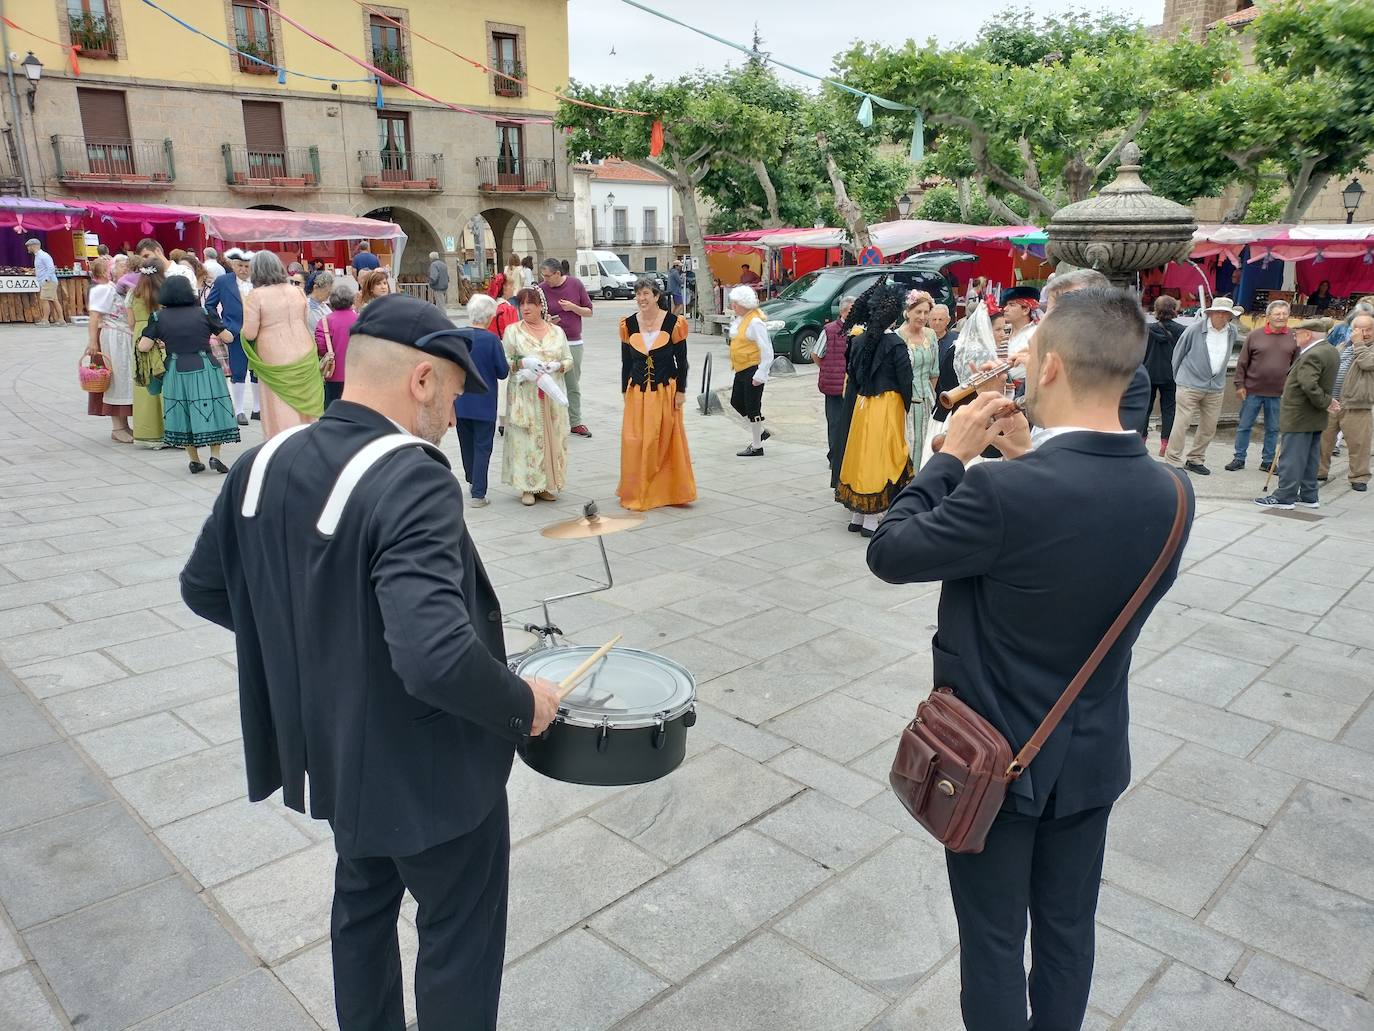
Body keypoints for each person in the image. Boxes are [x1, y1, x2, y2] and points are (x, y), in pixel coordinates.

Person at [179, 293, 561, 1031]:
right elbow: (436, 655)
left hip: (339, 753)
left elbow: (206, 589)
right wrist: (524, 703)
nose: (451, 418)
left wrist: (320, 653)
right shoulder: (412, 476)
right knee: (457, 940)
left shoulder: (263, 461)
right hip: (435, 772)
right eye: (450, 395)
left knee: (361, 914)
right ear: (422, 380)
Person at [868, 286, 1193, 1031]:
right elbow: (1076, 539)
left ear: (1047, 369)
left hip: (992, 763)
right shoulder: (1174, 493)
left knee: (992, 941)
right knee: (1069, 932)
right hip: (1091, 758)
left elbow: (890, 550)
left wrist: (950, 456)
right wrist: (1023, 458)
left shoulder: (999, 493)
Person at [138, 276, 239, 474]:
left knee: (182, 411)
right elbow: (228, 337)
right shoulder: (204, 312)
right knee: (212, 409)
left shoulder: (158, 317)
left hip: (176, 368)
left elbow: (143, 346)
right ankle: (214, 456)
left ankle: (194, 460)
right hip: (206, 367)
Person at [836, 281, 914, 536]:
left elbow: (853, 376)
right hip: (887, 405)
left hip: (863, 406)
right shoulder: (895, 344)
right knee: (881, 457)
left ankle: (858, 517)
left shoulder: (858, 341)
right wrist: (907, 403)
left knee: (860, 454)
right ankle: (870, 521)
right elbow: (905, 379)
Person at [617, 277, 696, 511]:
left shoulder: (673, 323)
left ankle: (665, 489)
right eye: (638, 294)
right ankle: (638, 487)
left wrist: (681, 391)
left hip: (664, 390)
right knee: (636, 441)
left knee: (663, 440)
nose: (641, 299)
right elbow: (625, 362)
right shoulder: (628, 324)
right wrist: (624, 389)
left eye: (646, 294)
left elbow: (682, 361)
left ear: (656, 296)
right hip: (638, 392)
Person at [1255, 318, 1339, 510]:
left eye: (1297, 333)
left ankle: (1285, 496)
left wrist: (1325, 402)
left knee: (1292, 457)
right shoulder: (1330, 350)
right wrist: (1326, 402)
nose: (1294, 336)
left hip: (1299, 414)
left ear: (1308, 334)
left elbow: (1309, 384)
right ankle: (1309, 495)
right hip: (1313, 415)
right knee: (1310, 458)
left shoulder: (1313, 354)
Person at [502, 288, 574, 505]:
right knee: (527, 438)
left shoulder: (556, 332)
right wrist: (521, 364)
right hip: (525, 394)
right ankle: (527, 487)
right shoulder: (513, 331)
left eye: (530, 304)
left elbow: (569, 359)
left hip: (551, 394)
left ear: (541, 306)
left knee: (553, 437)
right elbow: (504, 359)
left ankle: (546, 484)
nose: (525, 308)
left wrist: (558, 366)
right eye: (521, 304)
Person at [241, 251, 323, 439]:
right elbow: (304, 321)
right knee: (304, 395)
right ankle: (309, 436)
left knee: (279, 401)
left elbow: (250, 332)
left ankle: (283, 442)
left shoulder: (256, 296)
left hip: (274, 353)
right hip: (304, 349)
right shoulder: (297, 291)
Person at [1164, 296, 1243, 475]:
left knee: (1209, 426)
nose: (1223, 317)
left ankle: (1195, 459)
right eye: (1220, 313)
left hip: (1215, 386)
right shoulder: (1194, 329)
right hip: (1189, 385)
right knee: (1181, 424)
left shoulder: (1232, 332)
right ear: (1212, 313)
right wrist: (1179, 378)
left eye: (1227, 314)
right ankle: (1173, 460)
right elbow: (1178, 354)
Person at [1227, 300, 1296, 473]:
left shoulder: (1294, 337)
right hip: (1252, 390)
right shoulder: (1254, 335)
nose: (1281, 317)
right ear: (1269, 316)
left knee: (1273, 428)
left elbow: (1296, 365)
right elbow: (1242, 362)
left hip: (1279, 392)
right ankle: (1239, 458)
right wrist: (1239, 384)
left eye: (1284, 314)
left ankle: (1268, 461)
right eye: (1277, 314)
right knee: (1244, 426)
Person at [455, 295, 510, 508]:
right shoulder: (491, 340)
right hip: (484, 402)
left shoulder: (459, 336)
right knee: (482, 447)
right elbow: (502, 372)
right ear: (488, 317)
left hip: (460, 401)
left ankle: (472, 479)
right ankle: (478, 492)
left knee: (466, 445)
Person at [537, 257, 594, 438]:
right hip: (550, 342)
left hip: (573, 342)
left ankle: (575, 422)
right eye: (543, 276)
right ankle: (551, 420)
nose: (545, 279)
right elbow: (535, 315)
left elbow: (589, 311)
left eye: (547, 276)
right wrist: (546, 320)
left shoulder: (575, 285)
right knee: (549, 382)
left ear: (558, 273)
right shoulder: (541, 289)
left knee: (572, 383)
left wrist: (572, 307)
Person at [1318, 312, 1374, 492]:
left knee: (1359, 444)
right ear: (1352, 330)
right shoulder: (1343, 346)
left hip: (1358, 405)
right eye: (1359, 329)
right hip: (1332, 402)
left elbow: (1367, 363)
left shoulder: (1368, 349)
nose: (1364, 333)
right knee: (1322, 441)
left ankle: (1359, 477)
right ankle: (1319, 471)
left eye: (1368, 329)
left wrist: (1358, 343)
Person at [83, 257, 135, 444]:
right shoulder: (104, 289)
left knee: (127, 379)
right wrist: (92, 341)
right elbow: (94, 315)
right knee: (116, 380)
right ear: (110, 271)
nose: (126, 269)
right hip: (113, 338)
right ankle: (117, 427)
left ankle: (125, 424)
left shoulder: (124, 289)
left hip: (125, 337)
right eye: (122, 266)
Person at [206, 248, 259, 426]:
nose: (243, 269)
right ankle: (239, 410)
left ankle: (257, 408)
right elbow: (209, 306)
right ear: (233, 265)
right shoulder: (223, 281)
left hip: (258, 331)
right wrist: (221, 328)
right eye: (239, 265)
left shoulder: (259, 282)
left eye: (247, 266)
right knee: (238, 371)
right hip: (234, 331)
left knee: (257, 371)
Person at [726, 285, 774, 458]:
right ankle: (760, 431)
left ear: (744, 303)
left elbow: (767, 350)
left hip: (753, 369)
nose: (733, 306)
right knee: (736, 402)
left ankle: (757, 445)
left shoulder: (755, 321)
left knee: (753, 407)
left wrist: (761, 374)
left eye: (736, 303)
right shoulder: (741, 319)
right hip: (741, 369)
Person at [896, 290, 940, 470]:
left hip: (927, 399)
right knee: (909, 442)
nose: (922, 316)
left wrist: (932, 396)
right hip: (905, 401)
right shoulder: (897, 337)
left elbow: (934, 371)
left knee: (927, 442)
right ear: (908, 312)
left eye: (926, 312)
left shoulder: (930, 335)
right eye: (918, 312)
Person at [817, 295, 855, 486]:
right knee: (835, 422)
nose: (853, 314)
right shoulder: (830, 330)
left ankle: (847, 455)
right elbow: (816, 354)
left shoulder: (859, 330)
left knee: (850, 422)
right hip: (834, 385)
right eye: (850, 310)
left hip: (852, 386)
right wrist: (827, 368)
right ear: (842, 311)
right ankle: (834, 456)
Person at [128, 260, 167, 449]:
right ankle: (171, 430)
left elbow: (130, 321)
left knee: (145, 382)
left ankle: (148, 432)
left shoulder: (133, 294)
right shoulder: (165, 292)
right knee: (164, 380)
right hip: (161, 335)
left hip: (140, 335)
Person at [1142, 295, 1185, 454]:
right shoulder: (1182, 330)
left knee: (1145, 409)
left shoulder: (1146, 329)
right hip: (1171, 375)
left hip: (1148, 374)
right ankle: (1165, 445)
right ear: (1174, 310)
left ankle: (1141, 441)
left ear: (1156, 310)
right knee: (1169, 410)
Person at [316, 279, 358, 409]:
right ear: (351, 300)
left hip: (333, 373)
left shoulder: (324, 322)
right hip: (357, 374)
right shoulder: (361, 319)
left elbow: (321, 348)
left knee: (332, 408)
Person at [930, 303, 959, 431]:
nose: (936, 323)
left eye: (940, 319)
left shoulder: (955, 340)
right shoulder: (922, 338)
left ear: (948, 320)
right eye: (933, 319)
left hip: (945, 393)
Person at [26, 238, 67, 326]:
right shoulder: (39, 256)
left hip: (48, 281)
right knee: (54, 300)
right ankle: (61, 320)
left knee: (44, 299)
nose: (28, 248)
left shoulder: (43, 255)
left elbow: (51, 267)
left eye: (29, 246)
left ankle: (45, 320)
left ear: (34, 246)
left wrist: (46, 279)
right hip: (48, 281)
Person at [306, 270, 335, 335]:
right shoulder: (309, 307)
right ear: (315, 287)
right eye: (327, 291)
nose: (328, 295)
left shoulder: (322, 303)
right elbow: (321, 328)